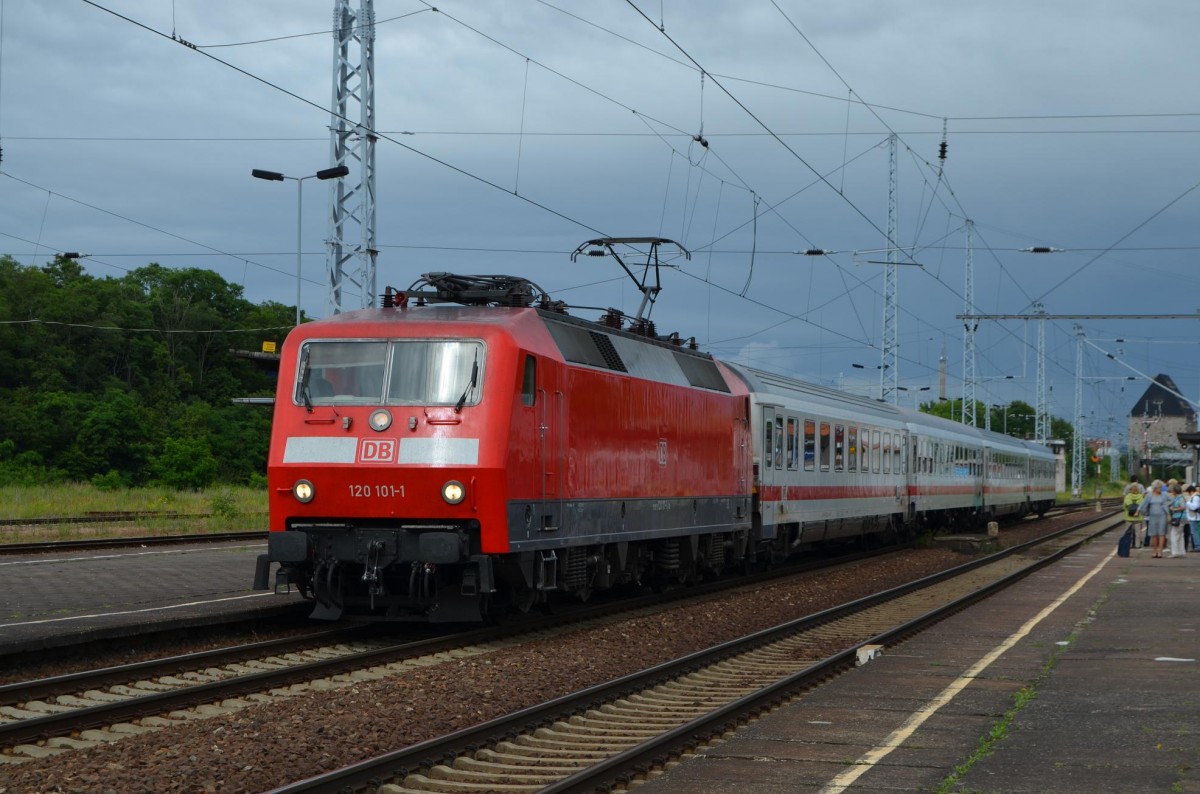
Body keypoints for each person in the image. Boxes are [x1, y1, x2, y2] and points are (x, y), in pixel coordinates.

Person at [1138, 483, 1170, 558]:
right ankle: (1154, 550)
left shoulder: (1164, 494)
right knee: (1154, 534)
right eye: (1159, 488)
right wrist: (1139, 510)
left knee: (1161, 533)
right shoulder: (1149, 495)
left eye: (1160, 488)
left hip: (1162, 515)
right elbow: (1144, 503)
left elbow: (1171, 500)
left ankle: (1160, 551)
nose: (1160, 489)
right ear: (1155, 488)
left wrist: (1165, 506)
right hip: (1152, 516)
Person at [1123, 477, 1147, 548]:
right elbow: (1142, 506)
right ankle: (1137, 545)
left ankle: (1129, 544)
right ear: (1138, 490)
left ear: (1130, 490)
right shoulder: (1141, 497)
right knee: (1138, 532)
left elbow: (1125, 506)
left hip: (1128, 517)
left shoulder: (1127, 497)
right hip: (1138, 517)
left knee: (1128, 532)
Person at [1166, 483, 1187, 557]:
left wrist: (1174, 509)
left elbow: (1183, 507)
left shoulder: (1179, 498)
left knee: (1174, 534)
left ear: (1175, 491)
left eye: (1172, 491)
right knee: (1181, 535)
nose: (1172, 492)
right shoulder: (1180, 497)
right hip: (1182, 517)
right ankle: (1181, 551)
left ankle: (1175, 552)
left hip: (1178, 517)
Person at [1185, 485, 1200, 552]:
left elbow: (1194, 507)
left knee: (1194, 532)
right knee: (1195, 532)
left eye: (1188, 492)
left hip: (1194, 517)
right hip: (1194, 517)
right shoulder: (1195, 496)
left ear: (1191, 491)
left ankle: (1197, 546)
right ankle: (1197, 545)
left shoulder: (1195, 497)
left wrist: (1187, 503)